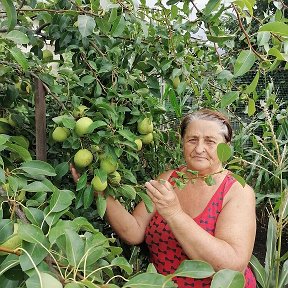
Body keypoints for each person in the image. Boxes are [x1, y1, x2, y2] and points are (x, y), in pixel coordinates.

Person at [71, 108, 256, 287]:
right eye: (192, 140)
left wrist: (174, 213)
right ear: (182, 142)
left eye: (210, 141)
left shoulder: (237, 191)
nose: (199, 148)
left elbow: (231, 265)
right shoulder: (169, 179)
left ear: (226, 147)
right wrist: (100, 192)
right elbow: (134, 231)